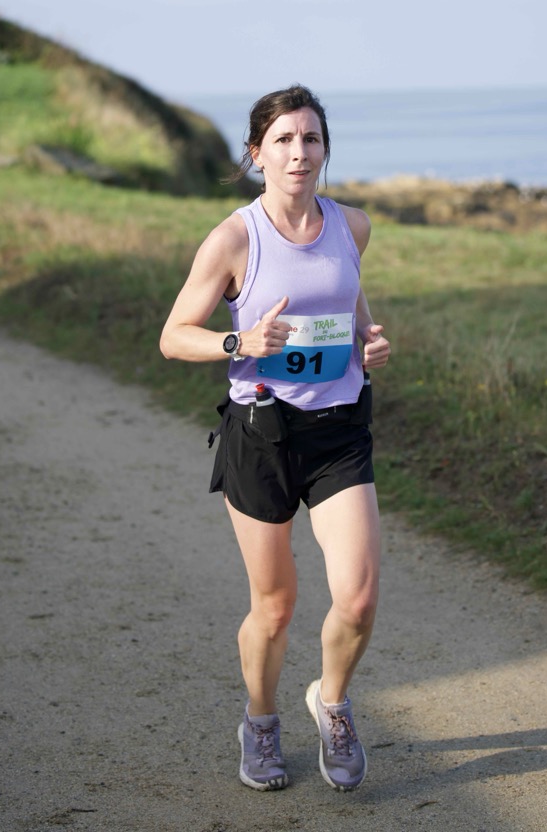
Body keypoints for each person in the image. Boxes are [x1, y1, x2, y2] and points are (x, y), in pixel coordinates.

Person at [159, 84, 390, 793]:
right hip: (262, 436)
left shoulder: (351, 226)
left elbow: (349, 303)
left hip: (338, 431)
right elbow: (174, 336)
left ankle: (332, 702)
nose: (299, 153)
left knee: (357, 598)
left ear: (325, 150)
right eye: (283, 140)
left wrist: (368, 339)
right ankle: (260, 721)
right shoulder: (235, 239)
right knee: (276, 605)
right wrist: (241, 340)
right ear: (256, 154)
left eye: (310, 139)